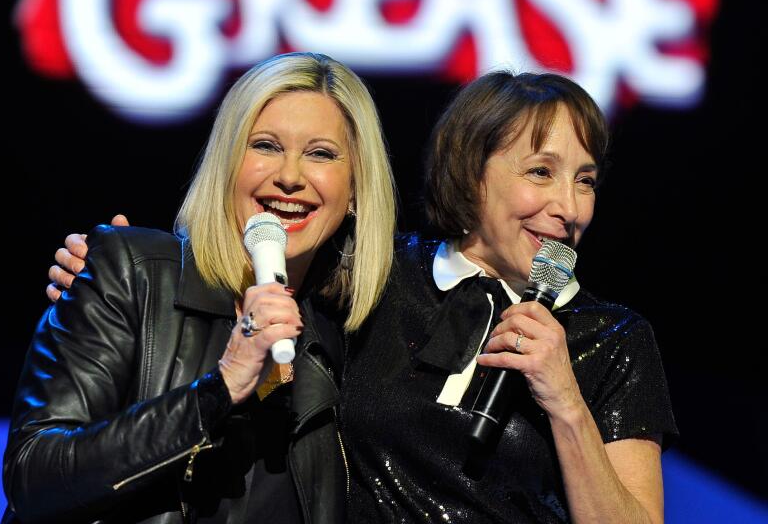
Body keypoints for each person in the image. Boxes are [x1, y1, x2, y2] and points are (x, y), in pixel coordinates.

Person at [47, 71, 677, 523]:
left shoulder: (611, 337)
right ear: (470, 175)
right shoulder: (378, 278)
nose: (567, 208)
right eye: (541, 172)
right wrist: (124, 267)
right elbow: (268, 232)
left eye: (585, 181)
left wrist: (566, 405)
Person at [2, 52, 396, 524]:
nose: (290, 176)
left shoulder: (354, 336)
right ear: (227, 164)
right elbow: (34, 478)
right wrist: (220, 387)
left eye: (320, 153)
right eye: (266, 145)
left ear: (354, 189)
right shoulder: (133, 274)